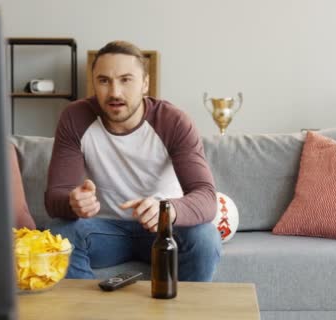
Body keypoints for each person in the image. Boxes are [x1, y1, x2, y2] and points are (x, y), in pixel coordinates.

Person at [45, 40, 221, 281]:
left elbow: (206, 198)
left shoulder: (173, 121)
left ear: (145, 84)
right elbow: (55, 198)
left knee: (205, 238)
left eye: (126, 80)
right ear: (94, 83)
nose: (115, 92)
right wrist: (73, 202)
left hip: (164, 230)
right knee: (57, 236)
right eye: (104, 80)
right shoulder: (74, 117)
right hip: (104, 230)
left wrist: (167, 210)